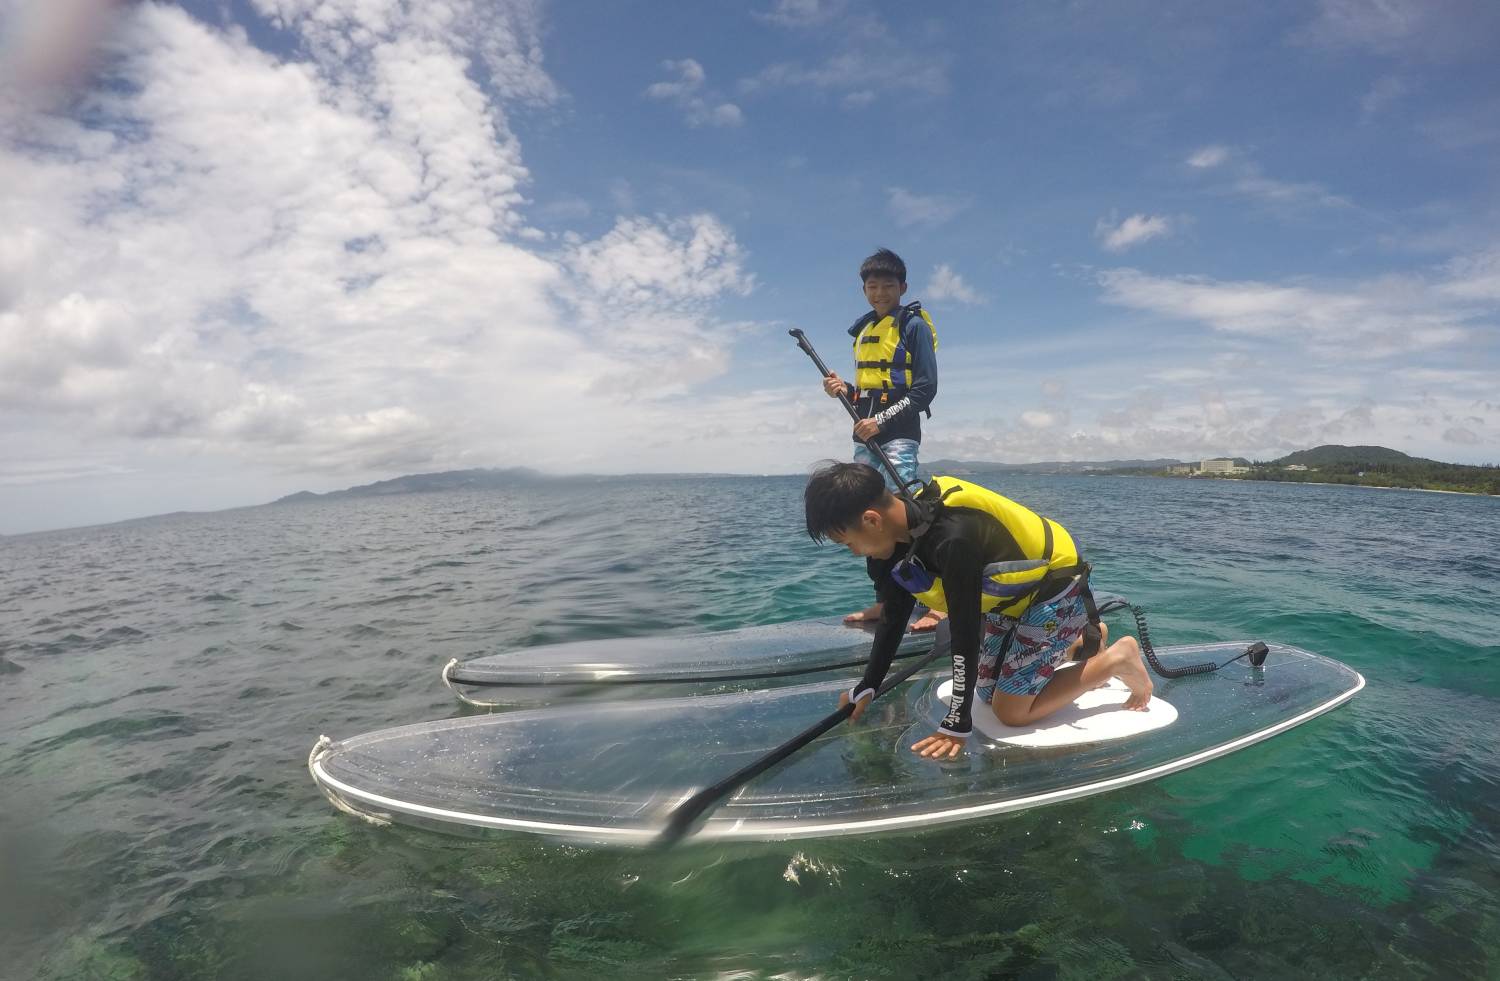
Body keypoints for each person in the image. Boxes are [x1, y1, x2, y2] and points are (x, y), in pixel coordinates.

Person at [803, 462, 1153, 759]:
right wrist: (868, 685)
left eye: (848, 542)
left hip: (1055, 590)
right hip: (1012, 600)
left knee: (1010, 712)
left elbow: (965, 631)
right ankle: (1079, 643)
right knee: (985, 693)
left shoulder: (953, 537)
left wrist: (957, 721)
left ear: (871, 520)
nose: (852, 552)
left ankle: (1117, 658)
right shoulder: (895, 540)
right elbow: (894, 615)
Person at [819, 247, 944, 632]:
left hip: (899, 435)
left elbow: (924, 389)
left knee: (907, 516)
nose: (879, 293)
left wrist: (882, 420)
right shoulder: (865, 330)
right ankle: (886, 601)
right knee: (866, 519)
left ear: (902, 287)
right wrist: (845, 391)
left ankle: (938, 602)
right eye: (872, 286)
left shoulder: (914, 326)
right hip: (865, 434)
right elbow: (872, 390)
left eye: (887, 285)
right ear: (863, 291)